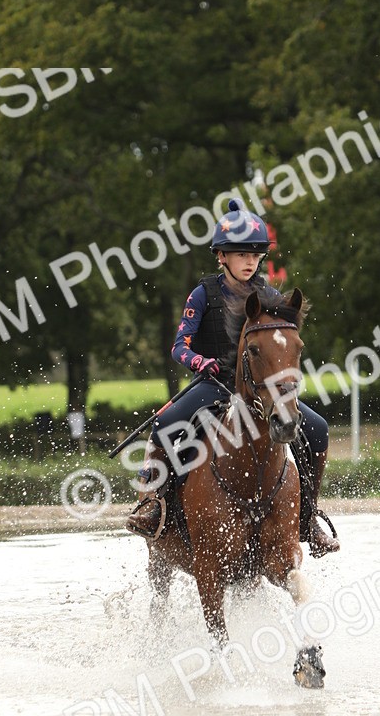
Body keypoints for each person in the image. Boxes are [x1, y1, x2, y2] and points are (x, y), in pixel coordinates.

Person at [126, 199, 339, 556]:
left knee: (317, 429)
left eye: (256, 254)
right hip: (214, 384)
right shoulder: (203, 293)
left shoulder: (270, 296)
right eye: (241, 254)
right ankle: (154, 503)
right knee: (165, 424)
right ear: (221, 256)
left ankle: (308, 517)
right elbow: (179, 346)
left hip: (264, 391)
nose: (250, 261)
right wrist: (198, 361)